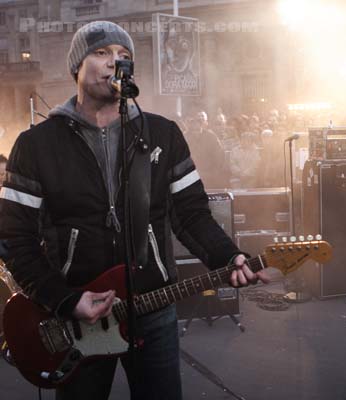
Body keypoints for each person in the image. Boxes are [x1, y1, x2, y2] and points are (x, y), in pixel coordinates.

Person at [0, 21, 268, 400]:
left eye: (124, 56)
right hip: (76, 315)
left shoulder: (162, 135)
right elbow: (15, 238)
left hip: (153, 309)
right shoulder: (36, 145)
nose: (115, 63)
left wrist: (229, 256)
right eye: (102, 53)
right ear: (76, 65)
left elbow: (191, 214)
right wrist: (64, 299)